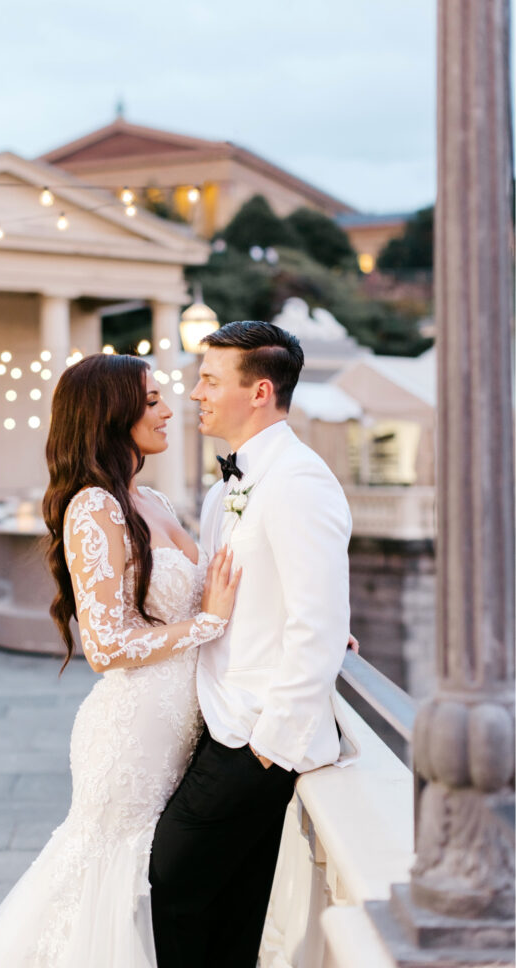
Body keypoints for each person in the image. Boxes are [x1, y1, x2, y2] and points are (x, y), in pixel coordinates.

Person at [0, 352, 241, 968]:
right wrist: (208, 623)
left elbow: (217, 588)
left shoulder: (158, 503)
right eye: (151, 401)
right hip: (134, 730)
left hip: (180, 721)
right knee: (107, 882)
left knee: (142, 891)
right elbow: (105, 645)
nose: (170, 409)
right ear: (110, 415)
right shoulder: (94, 507)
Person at [149, 320, 360, 968]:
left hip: (252, 742)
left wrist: (269, 750)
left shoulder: (299, 482)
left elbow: (316, 624)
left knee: (173, 883)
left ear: (260, 391)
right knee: (229, 909)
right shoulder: (223, 490)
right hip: (216, 721)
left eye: (209, 379)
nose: (194, 393)